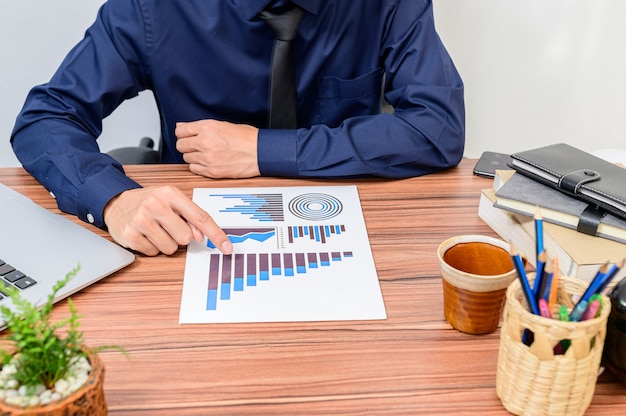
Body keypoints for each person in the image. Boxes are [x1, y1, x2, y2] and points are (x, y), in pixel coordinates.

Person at [11, 0, 465, 256]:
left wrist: (263, 150)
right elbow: (46, 117)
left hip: (345, 227)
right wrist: (114, 199)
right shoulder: (150, 8)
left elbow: (438, 127)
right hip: (193, 239)